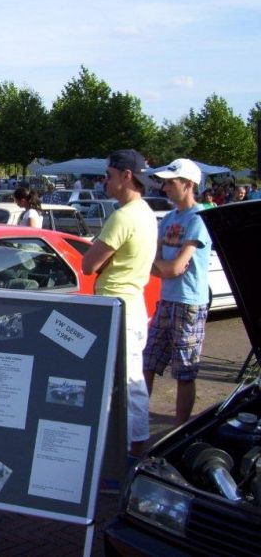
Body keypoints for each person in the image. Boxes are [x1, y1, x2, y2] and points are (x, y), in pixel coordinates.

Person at [81, 149, 157, 457]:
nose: (104, 181)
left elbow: (88, 265)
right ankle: (131, 450)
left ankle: (125, 456)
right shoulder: (146, 212)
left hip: (117, 308)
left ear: (127, 176)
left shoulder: (123, 216)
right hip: (132, 305)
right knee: (130, 382)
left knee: (124, 383)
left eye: (109, 175)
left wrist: (99, 255)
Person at [142, 158, 211, 428]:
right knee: (148, 361)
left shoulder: (199, 218)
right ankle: (137, 421)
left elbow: (175, 267)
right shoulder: (169, 218)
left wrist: (160, 266)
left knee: (184, 371)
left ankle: (180, 430)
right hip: (167, 299)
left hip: (189, 302)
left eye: (171, 183)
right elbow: (161, 262)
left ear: (188, 184)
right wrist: (162, 266)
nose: (165, 188)